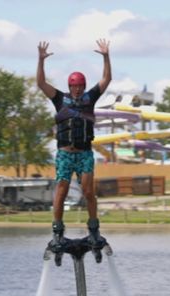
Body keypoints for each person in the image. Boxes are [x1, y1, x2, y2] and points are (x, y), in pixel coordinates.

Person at [36, 39, 111, 248]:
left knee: (88, 192)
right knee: (61, 189)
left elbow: (106, 79)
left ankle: (94, 230)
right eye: (74, 86)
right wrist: (41, 60)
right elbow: (41, 84)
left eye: (80, 86)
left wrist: (106, 56)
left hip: (85, 153)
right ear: (69, 86)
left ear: (84, 86)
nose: (77, 89)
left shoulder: (90, 98)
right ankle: (58, 232)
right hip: (64, 154)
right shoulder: (59, 99)